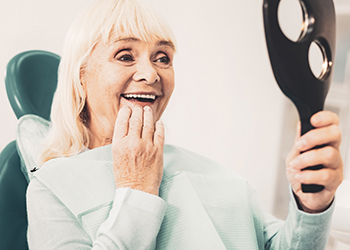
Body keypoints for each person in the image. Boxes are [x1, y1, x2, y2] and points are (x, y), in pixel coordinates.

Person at [26, 0, 343, 249]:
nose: (151, 74)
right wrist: (137, 191)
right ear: (81, 76)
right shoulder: (53, 188)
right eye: (125, 55)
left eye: (162, 57)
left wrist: (311, 207)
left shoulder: (214, 174)